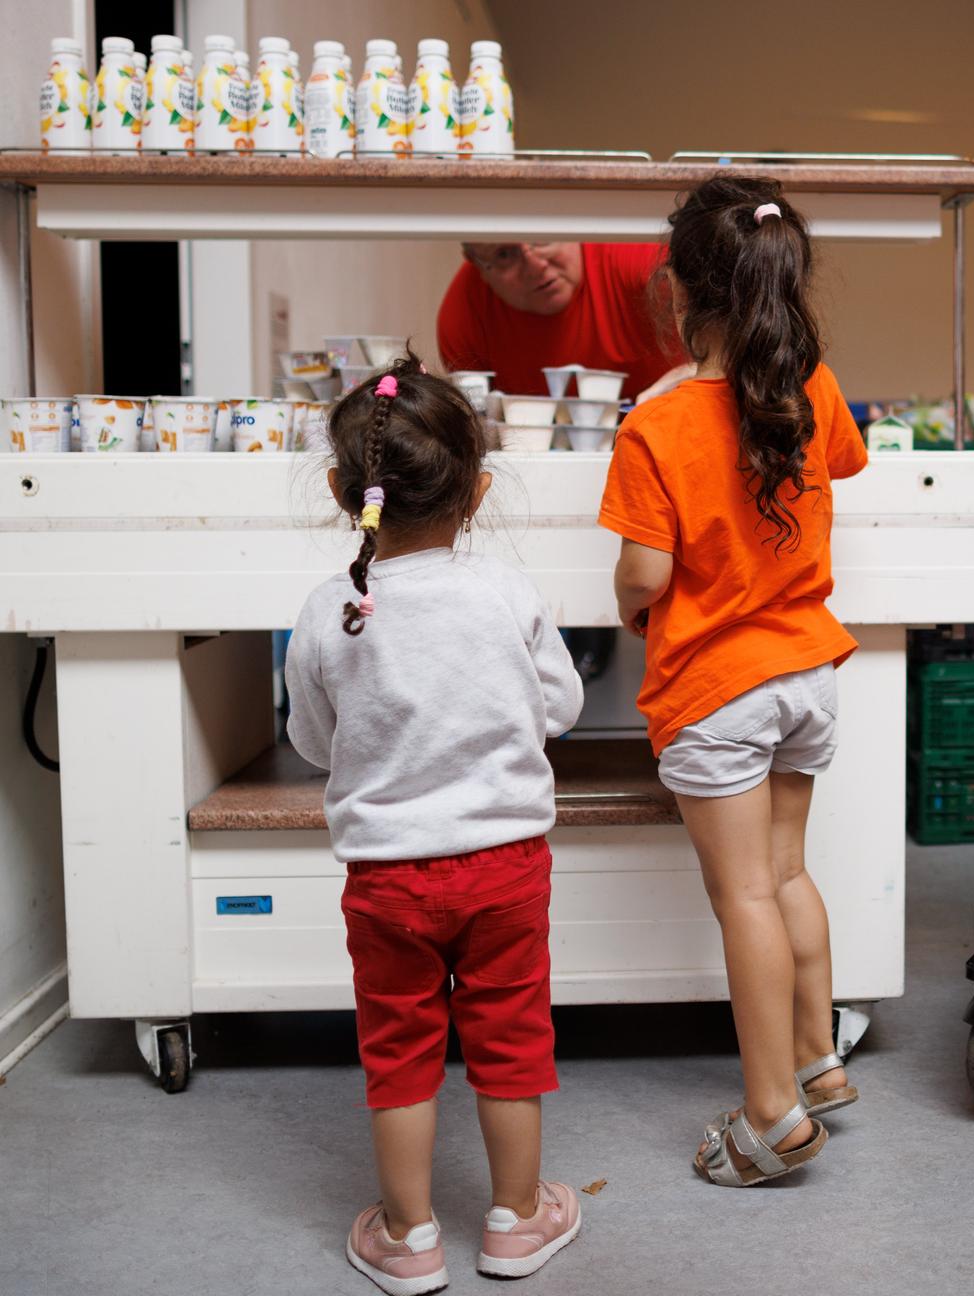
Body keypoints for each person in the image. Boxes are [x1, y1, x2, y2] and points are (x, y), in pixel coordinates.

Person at [285, 356, 584, 1293]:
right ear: (479, 488)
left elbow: (312, 741)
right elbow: (561, 707)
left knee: (400, 1048)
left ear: (342, 491)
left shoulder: (330, 610)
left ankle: (410, 1236)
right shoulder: (505, 593)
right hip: (504, 866)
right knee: (510, 1034)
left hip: (385, 880)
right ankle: (517, 1219)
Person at [598, 176, 868, 1188]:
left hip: (719, 687)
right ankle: (818, 1060)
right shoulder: (813, 385)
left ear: (676, 289)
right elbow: (836, 465)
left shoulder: (655, 428)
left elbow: (646, 576)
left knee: (744, 893)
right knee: (789, 873)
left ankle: (770, 1114)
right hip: (807, 671)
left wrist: (632, 603)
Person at [436, 241, 692, 402]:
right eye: (504, 254)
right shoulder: (464, 317)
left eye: (542, 238)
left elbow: (731, 313)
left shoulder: (633, 256)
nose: (535, 266)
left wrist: (699, 373)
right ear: (479, 267)